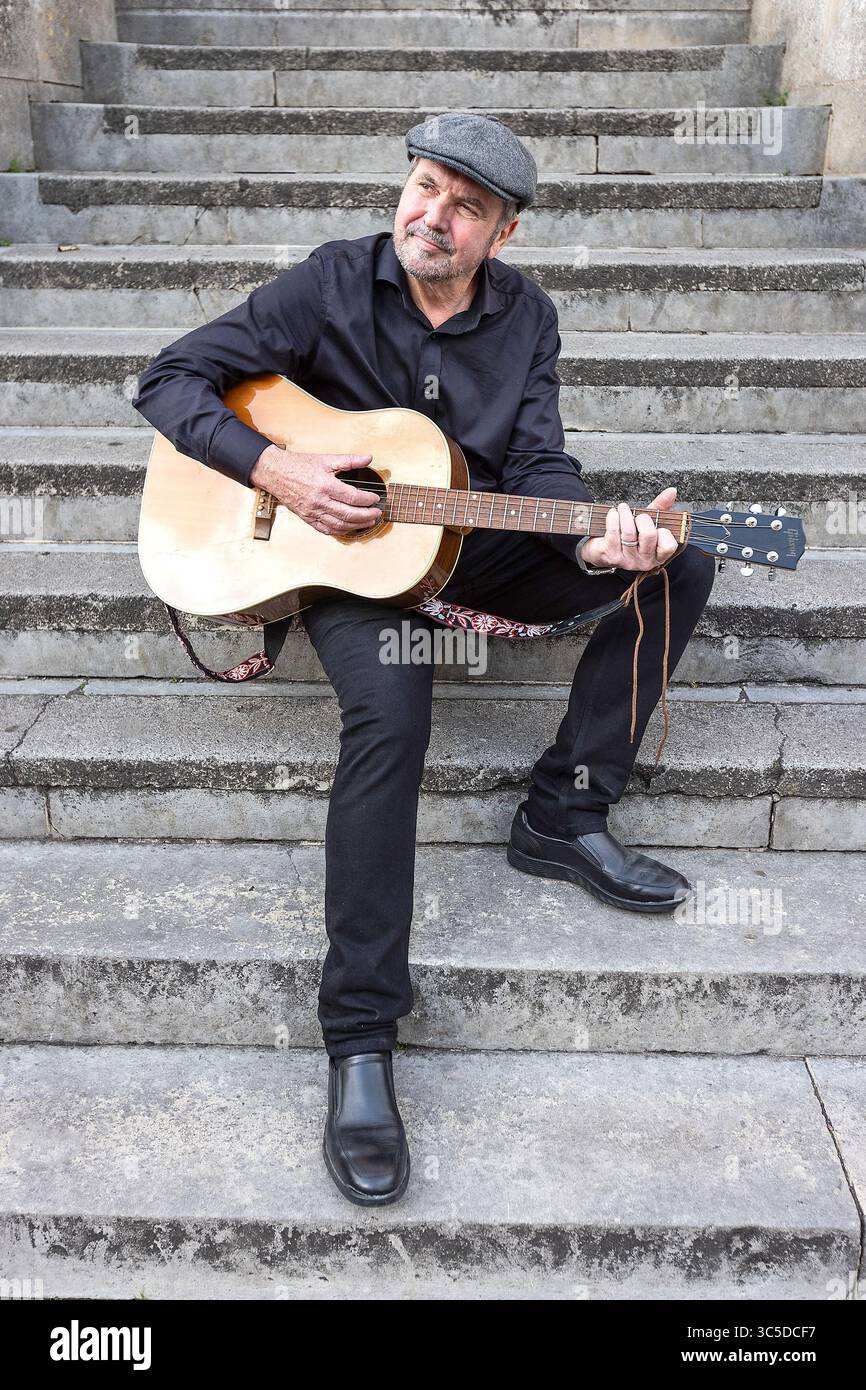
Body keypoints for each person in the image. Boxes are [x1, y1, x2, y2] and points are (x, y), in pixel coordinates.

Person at [133, 113, 716, 1209]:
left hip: (466, 539)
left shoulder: (525, 316)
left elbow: (537, 461)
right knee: (392, 720)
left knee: (673, 566)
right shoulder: (326, 285)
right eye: (421, 186)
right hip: (351, 567)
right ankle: (359, 1036)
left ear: (502, 233)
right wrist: (280, 470)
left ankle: (563, 813)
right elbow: (168, 382)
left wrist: (589, 532)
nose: (429, 215)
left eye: (461, 204)